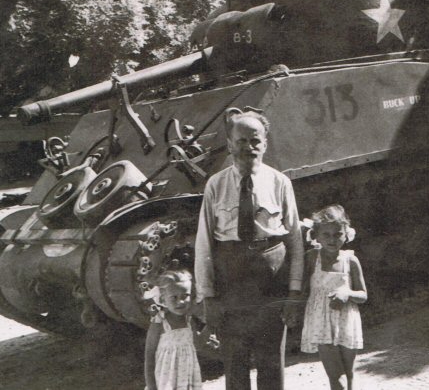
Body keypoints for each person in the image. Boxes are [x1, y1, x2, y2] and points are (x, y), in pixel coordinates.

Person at [194, 106, 305, 390]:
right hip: (231, 280)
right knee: (235, 362)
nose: (248, 147)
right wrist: (208, 296)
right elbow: (205, 243)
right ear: (230, 144)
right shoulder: (215, 186)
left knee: (271, 363)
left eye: (255, 140)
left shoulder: (280, 183)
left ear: (265, 144)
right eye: (241, 140)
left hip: (270, 279)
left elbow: (294, 240)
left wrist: (293, 292)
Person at [301, 205, 367, 390]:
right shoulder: (312, 257)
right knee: (336, 376)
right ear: (316, 236)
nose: (332, 239)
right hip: (321, 321)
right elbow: (302, 287)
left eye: (337, 234)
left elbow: (363, 295)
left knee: (349, 374)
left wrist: (347, 293)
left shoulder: (350, 261)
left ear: (346, 234)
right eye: (326, 234)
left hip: (347, 320)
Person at [144, 269, 203, 390]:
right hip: (166, 381)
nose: (180, 302)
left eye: (185, 296)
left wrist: (210, 328)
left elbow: (197, 345)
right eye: (174, 297)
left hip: (187, 379)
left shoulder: (189, 321)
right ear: (162, 299)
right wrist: (151, 387)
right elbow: (149, 356)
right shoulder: (160, 322)